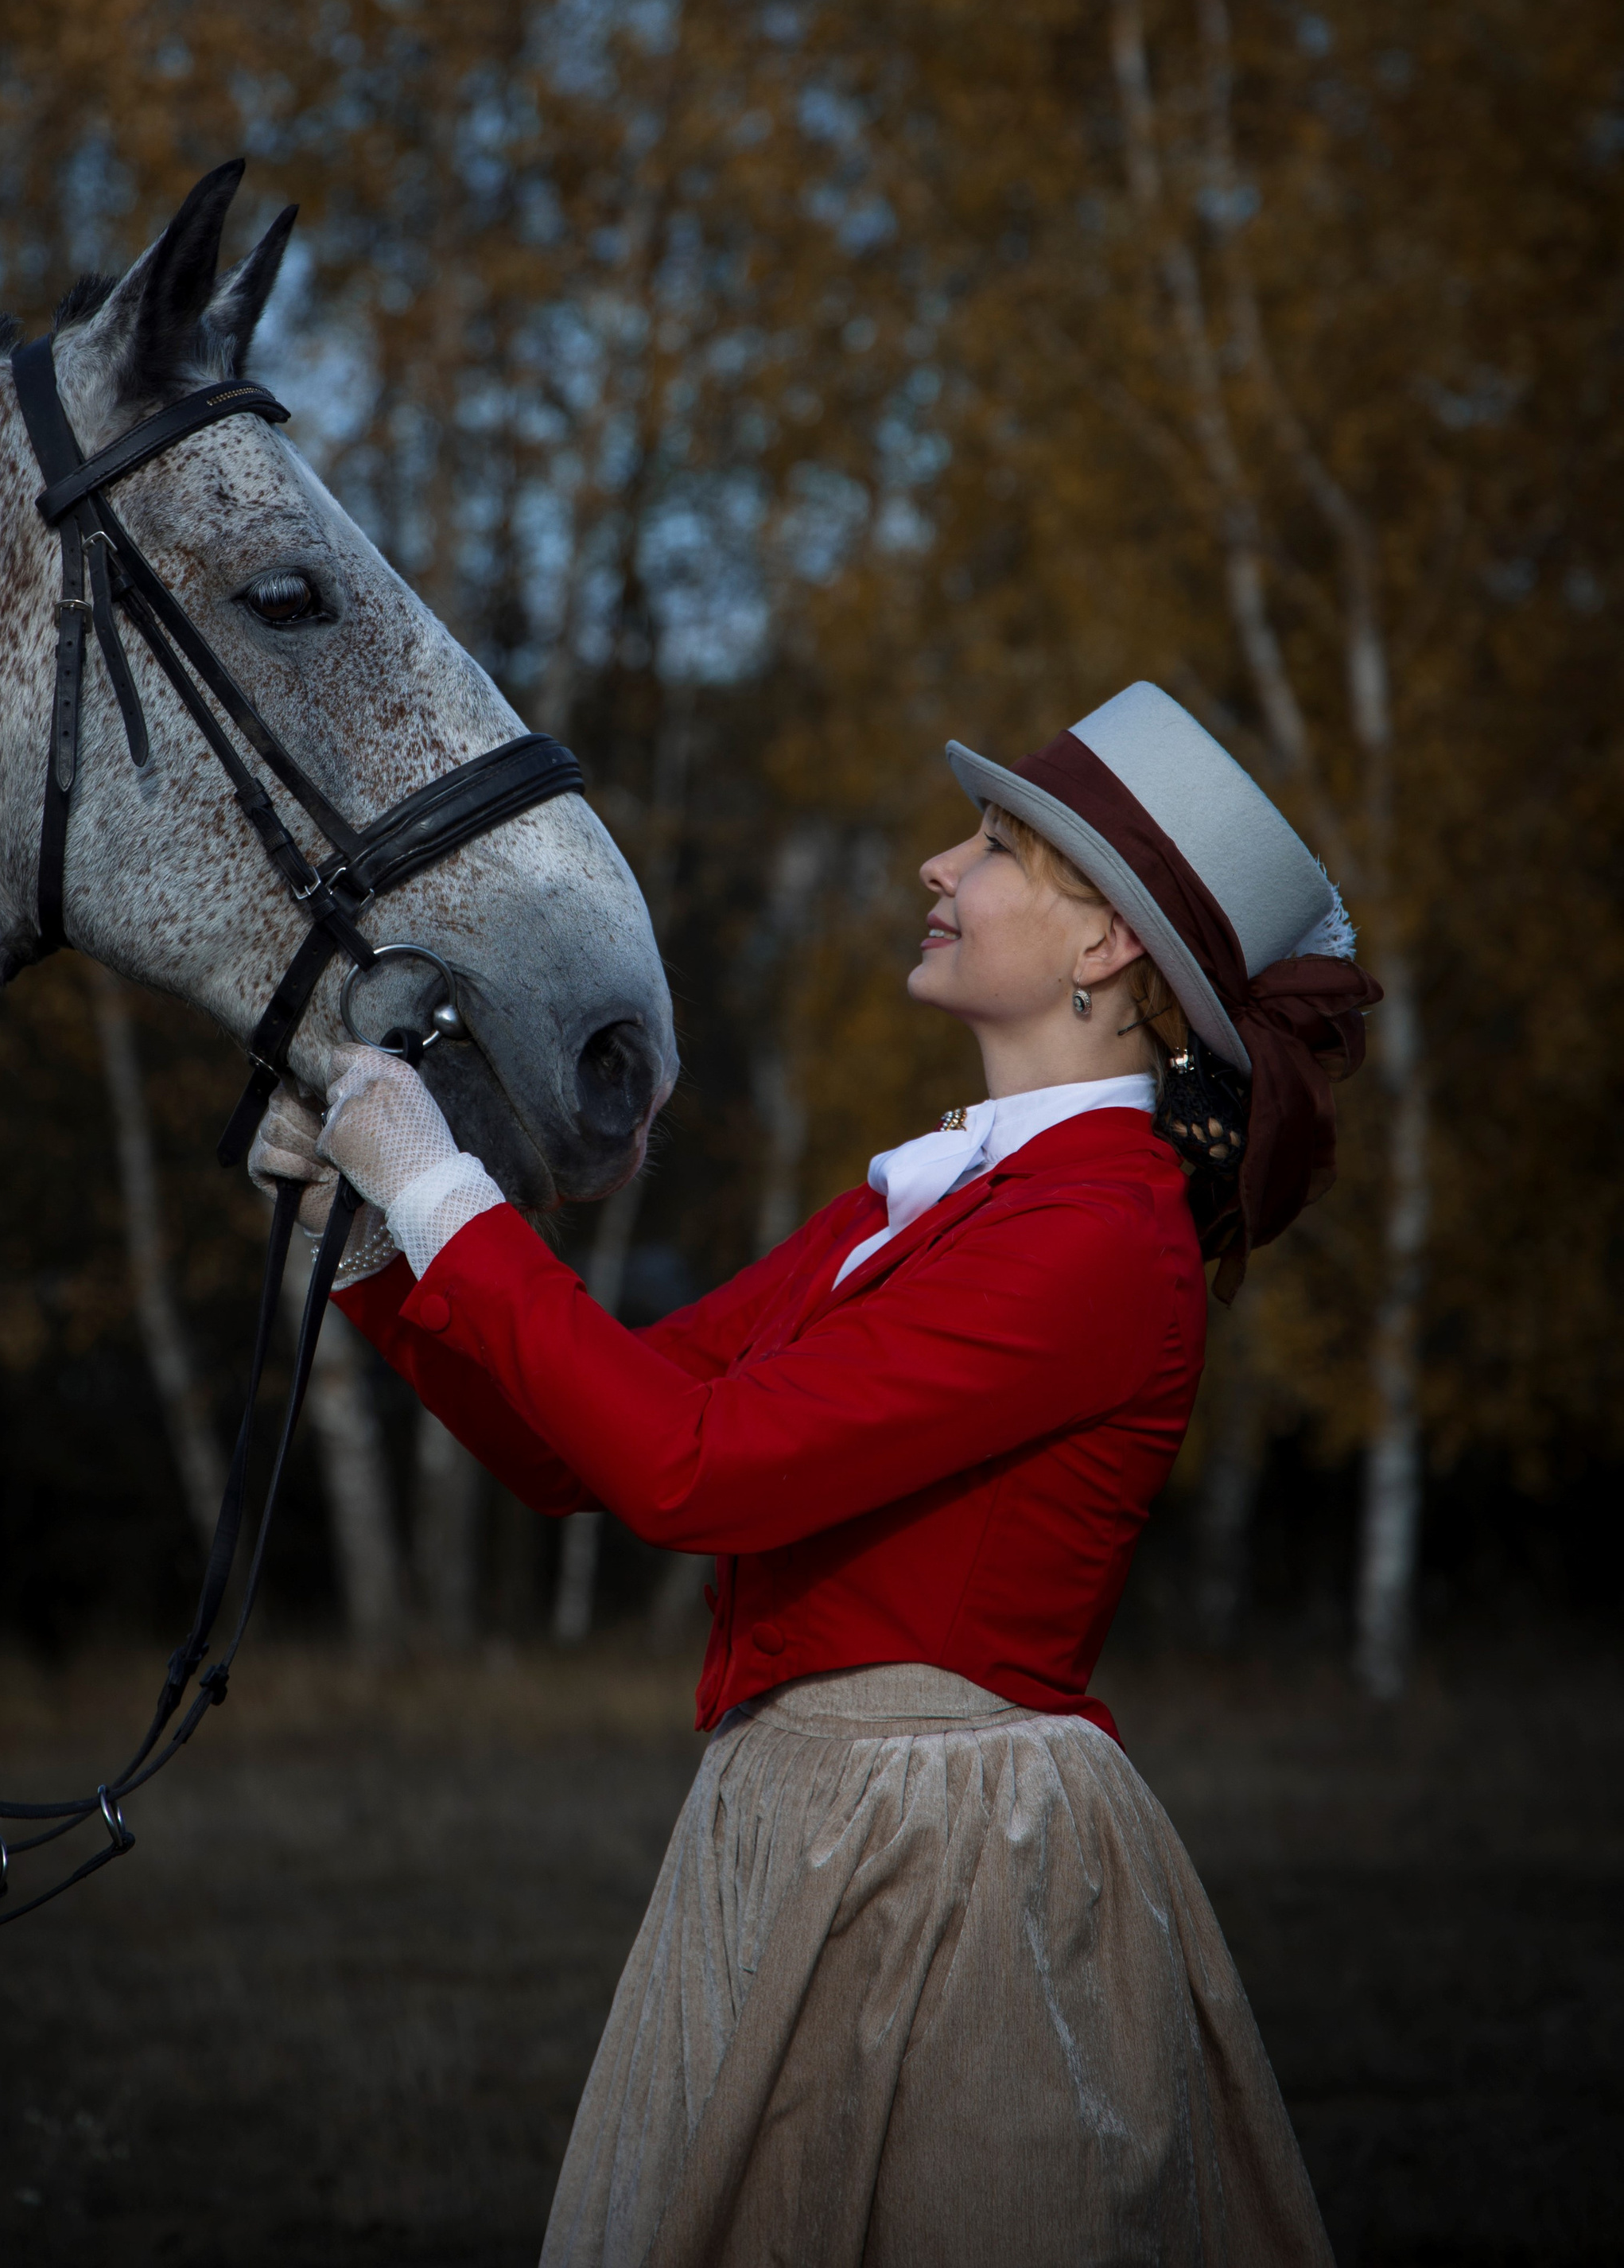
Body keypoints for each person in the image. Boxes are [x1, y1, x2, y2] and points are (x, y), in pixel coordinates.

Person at [253, 682, 1380, 2268]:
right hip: (805, 1827)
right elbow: (593, 1444)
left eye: (995, 848)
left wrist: (445, 1191)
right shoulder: (929, 1200)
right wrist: (373, 1244)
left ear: (1106, 944)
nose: (937, 865)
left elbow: (688, 1475)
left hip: (954, 1871)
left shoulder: (1096, 1237)